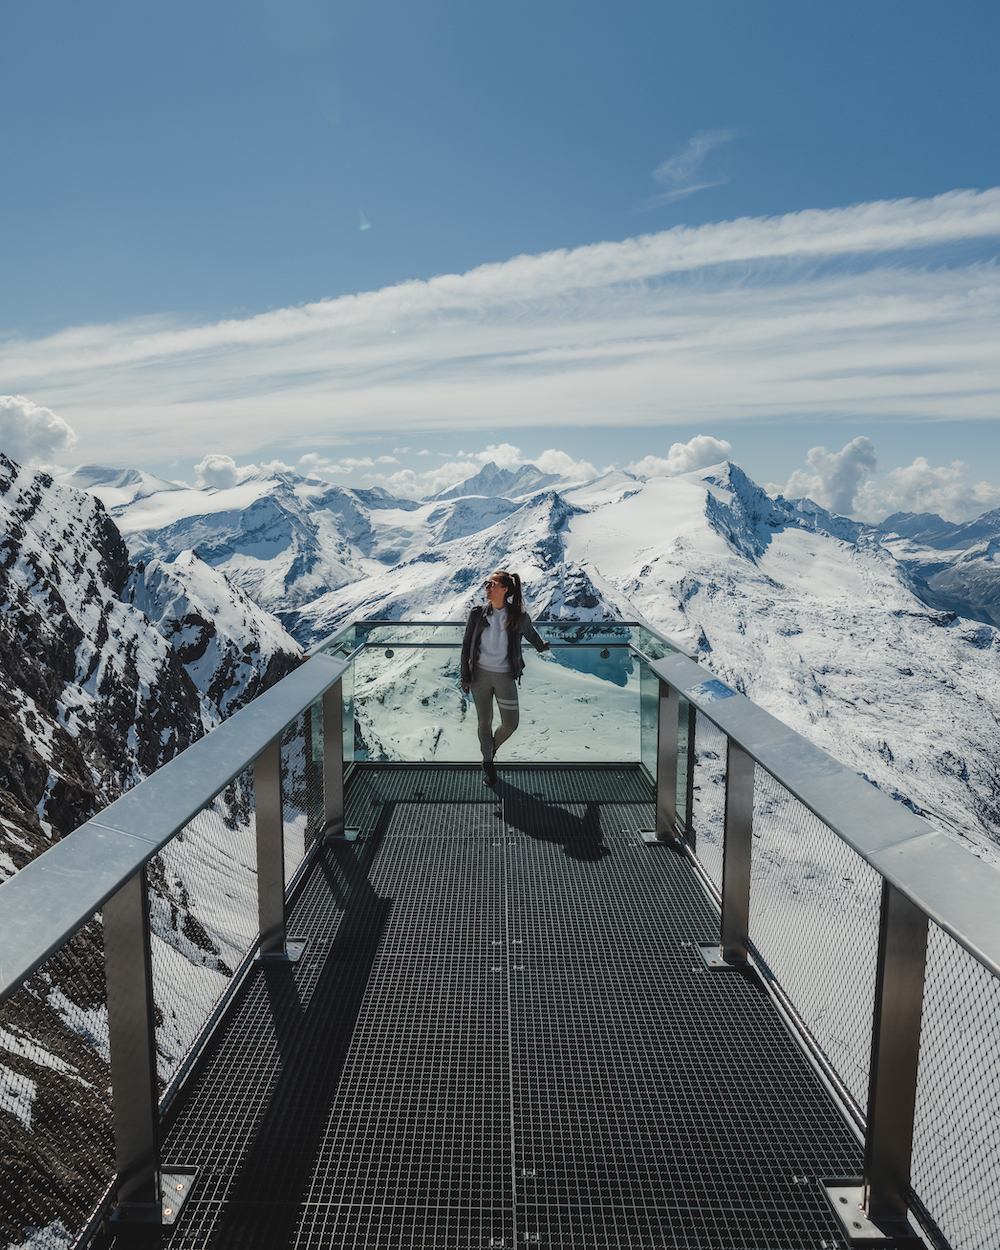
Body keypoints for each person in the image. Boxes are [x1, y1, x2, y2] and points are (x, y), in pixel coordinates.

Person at [461, 570, 550, 786]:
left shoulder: (519, 617)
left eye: (491, 584)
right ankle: (488, 763)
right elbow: (466, 647)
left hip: (505, 676)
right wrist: (465, 676)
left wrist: (543, 646)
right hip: (479, 675)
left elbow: (533, 637)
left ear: (504, 589)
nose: (486, 588)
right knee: (485, 722)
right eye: (486, 584)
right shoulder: (477, 614)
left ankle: (490, 749)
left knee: (510, 724)